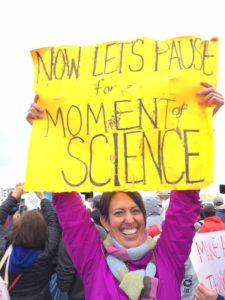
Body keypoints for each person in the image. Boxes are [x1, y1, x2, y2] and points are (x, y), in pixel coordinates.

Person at [26, 82, 224, 299]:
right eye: (119, 213)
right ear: (105, 222)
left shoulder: (169, 256)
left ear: (144, 216)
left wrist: (199, 122)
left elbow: (185, 201)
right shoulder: (93, 262)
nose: (129, 219)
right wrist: (46, 135)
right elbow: (67, 205)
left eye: (135, 211)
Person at [0, 183, 61, 300]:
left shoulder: (3, 250)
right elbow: (53, 221)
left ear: (18, 228)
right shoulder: (47, 251)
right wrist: (42, 197)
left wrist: (14, 196)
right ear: (43, 230)